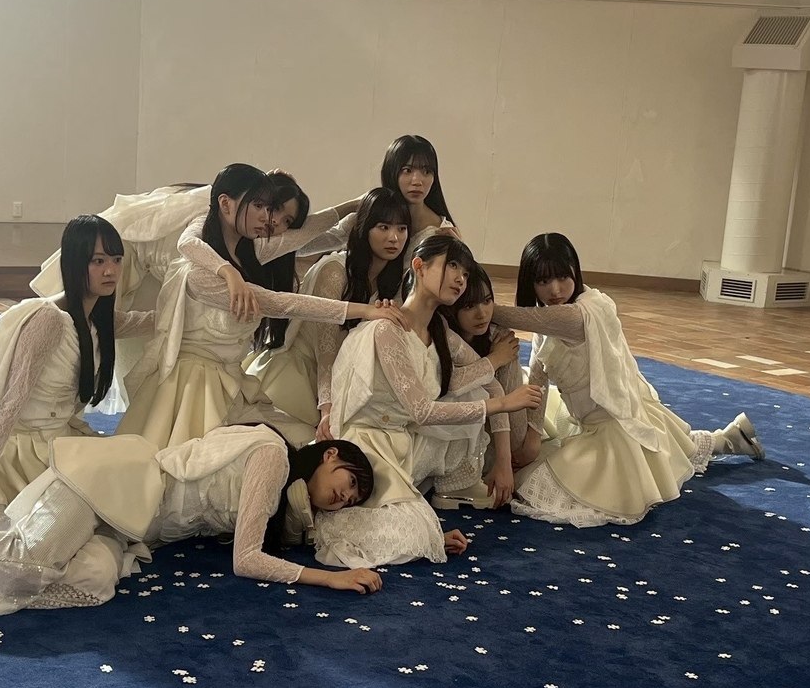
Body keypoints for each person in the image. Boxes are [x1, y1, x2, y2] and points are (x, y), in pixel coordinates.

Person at [0, 426, 384, 613]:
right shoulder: (273, 455)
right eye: (350, 481)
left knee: (92, 581)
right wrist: (330, 579)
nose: (345, 497)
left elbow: (289, 528)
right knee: (29, 561)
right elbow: (247, 559)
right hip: (114, 485)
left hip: (128, 529)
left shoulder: (287, 495)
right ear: (330, 453)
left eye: (354, 499)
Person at [117, 164, 403, 449]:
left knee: (297, 440)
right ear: (225, 204)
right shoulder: (198, 271)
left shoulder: (251, 252)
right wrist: (365, 310)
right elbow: (281, 304)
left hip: (231, 380)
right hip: (194, 387)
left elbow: (303, 236)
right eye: (259, 206)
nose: (268, 217)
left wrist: (353, 205)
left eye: (270, 208)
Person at [492, 232, 766, 527]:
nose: (555, 289)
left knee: (537, 485)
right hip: (587, 415)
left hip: (612, 426)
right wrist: (532, 438)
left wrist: (471, 306)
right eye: (543, 281)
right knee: (675, 449)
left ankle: (729, 440)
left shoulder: (583, 312)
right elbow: (538, 379)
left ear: (575, 271)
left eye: (562, 277)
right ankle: (730, 438)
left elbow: (513, 317)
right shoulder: (549, 321)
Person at [28, 176, 356, 411]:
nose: (276, 223)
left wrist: (353, 211)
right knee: (77, 346)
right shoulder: (210, 222)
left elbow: (304, 241)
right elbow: (189, 244)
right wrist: (228, 272)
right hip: (128, 264)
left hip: (152, 279)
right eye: (271, 209)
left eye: (287, 220)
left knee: (133, 353)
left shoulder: (250, 239)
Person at [319, 235, 542, 566]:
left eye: (464, 272)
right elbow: (422, 410)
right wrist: (502, 399)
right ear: (419, 267)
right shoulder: (388, 328)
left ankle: (452, 488)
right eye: (452, 266)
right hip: (370, 441)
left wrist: (503, 463)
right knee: (408, 532)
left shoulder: (438, 329)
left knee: (473, 390)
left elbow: (489, 386)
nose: (460, 279)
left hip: (406, 439)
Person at [0, 215, 153, 519]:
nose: (111, 270)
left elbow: (148, 322)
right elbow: (9, 406)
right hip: (25, 452)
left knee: (135, 467)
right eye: (98, 261)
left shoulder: (99, 319)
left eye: (116, 260)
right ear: (75, 263)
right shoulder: (48, 320)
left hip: (61, 438)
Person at [241, 187, 413, 436]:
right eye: (383, 227)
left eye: (402, 228)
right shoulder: (335, 271)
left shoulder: (396, 282)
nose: (394, 237)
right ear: (364, 228)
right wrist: (328, 410)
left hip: (341, 380)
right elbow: (326, 352)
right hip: (297, 377)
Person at [440, 263, 536, 508]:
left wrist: (504, 463)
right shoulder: (443, 336)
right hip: (455, 434)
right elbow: (448, 385)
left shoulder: (498, 336)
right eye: (469, 306)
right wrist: (494, 360)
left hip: (501, 433)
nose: (482, 313)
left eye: (487, 301)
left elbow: (500, 395)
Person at [380, 134, 459, 248]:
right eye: (407, 170)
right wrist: (360, 203)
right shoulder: (375, 218)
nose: (417, 181)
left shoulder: (440, 233)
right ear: (391, 173)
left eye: (426, 171)